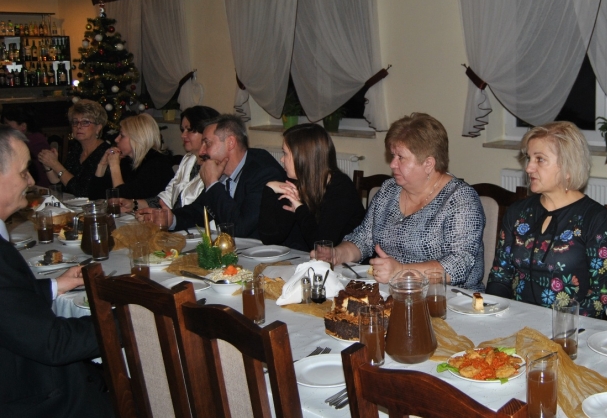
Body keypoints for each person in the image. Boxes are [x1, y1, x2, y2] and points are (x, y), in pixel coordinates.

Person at [0, 125, 116, 418]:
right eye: (23, 172)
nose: (31, 180)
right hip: (35, 403)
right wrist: (127, 320)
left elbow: (10, 306)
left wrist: (55, 286)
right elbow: (54, 343)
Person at [319, 113, 485, 290]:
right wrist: (337, 254)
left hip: (450, 299)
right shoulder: (389, 190)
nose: (392, 164)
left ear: (428, 164)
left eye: (401, 157)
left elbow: (459, 265)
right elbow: (363, 239)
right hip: (393, 293)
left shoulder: (461, 200)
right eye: (393, 156)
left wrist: (402, 271)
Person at [485, 122, 607, 318]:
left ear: (568, 167)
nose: (528, 168)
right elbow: (500, 276)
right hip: (515, 322)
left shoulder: (595, 219)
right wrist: (492, 316)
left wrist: (561, 328)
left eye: (540, 159)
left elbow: (601, 296)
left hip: (570, 329)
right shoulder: (517, 213)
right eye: (529, 158)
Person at [138, 114, 285, 238]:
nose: (201, 152)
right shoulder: (222, 169)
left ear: (230, 143)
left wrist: (213, 184)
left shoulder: (264, 173)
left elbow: (239, 228)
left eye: (207, 143)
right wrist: (172, 219)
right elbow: (199, 210)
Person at [258, 123, 365, 251]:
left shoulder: (340, 188)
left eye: (285, 153)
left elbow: (321, 245)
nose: (282, 159)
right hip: (302, 259)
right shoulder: (296, 182)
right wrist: (269, 189)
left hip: (343, 262)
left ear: (303, 157)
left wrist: (299, 208)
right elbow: (270, 238)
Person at [119, 106, 220, 213]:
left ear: (206, 132)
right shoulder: (188, 160)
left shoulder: (216, 168)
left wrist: (170, 218)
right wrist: (134, 204)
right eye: (182, 130)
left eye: (189, 130)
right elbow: (167, 197)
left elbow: (198, 211)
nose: (183, 135)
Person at [89, 113, 174, 200]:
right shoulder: (127, 161)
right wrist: (102, 165)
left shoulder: (157, 165)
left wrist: (114, 166)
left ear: (137, 139)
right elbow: (95, 197)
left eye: (122, 136)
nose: (116, 139)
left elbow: (123, 201)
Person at [37, 99, 110, 197]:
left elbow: (83, 192)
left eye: (85, 122)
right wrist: (48, 165)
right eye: (75, 122)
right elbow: (61, 183)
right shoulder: (76, 150)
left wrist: (55, 164)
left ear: (98, 127)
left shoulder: (105, 153)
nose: (78, 126)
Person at [1, 105, 50, 187]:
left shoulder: (35, 141)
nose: (6, 130)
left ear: (23, 127)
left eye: (8, 126)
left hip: (39, 187)